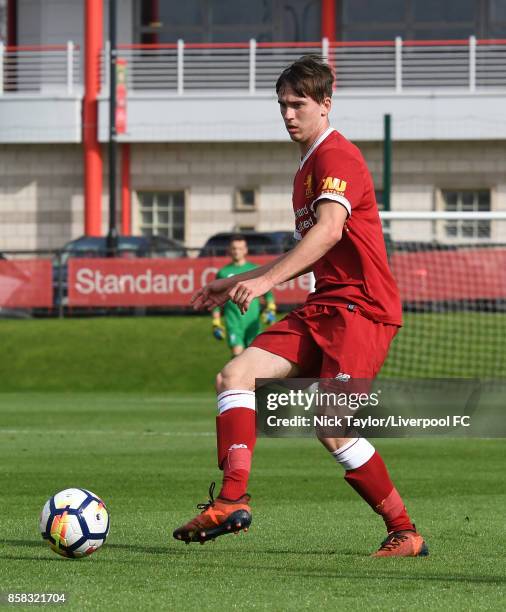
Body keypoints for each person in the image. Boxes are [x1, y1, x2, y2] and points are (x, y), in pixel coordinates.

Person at [173, 55, 428, 557]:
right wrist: (235, 282)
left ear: (325, 105)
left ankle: (404, 531)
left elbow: (330, 231)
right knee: (235, 375)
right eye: (282, 105)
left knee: (333, 426)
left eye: (298, 104)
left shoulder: (338, 157)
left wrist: (266, 281)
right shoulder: (306, 167)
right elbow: (306, 248)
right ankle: (231, 500)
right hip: (323, 307)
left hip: (361, 309)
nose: (288, 114)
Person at [212, 235, 277, 357]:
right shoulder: (223, 273)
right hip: (233, 322)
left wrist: (271, 309)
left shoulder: (255, 270)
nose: (237, 251)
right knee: (238, 356)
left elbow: (268, 294)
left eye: (240, 248)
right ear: (229, 250)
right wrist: (216, 323)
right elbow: (216, 300)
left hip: (253, 322)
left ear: (246, 250)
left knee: (253, 360)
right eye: (234, 248)